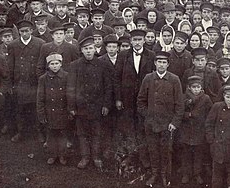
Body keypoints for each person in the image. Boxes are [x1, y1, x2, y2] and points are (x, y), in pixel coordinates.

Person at [137, 50, 184, 187]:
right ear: (155, 63)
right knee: (152, 149)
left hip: (167, 124)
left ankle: (164, 175)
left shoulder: (174, 80)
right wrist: (148, 116)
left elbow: (179, 104)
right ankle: (155, 173)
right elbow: (140, 101)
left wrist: (174, 122)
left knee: (166, 150)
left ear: (168, 64)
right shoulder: (148, 78)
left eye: (164, 62)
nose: (161, 65)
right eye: (159, 62)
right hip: (151, 123)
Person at [66, 36, 112, 170]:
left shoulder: (102, 64)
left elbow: (108, 86)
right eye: (85, 49)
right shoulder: (75, 65)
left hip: (97, 106)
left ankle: (96, 157)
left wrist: (106, 105)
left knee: (97, 132)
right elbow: (70, 87)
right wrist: (71, 107)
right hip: (81, 107)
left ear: (94, 49)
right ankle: (85, 157)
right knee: (82, 133)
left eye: (90, 48)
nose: (88, 51)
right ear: (81, 50)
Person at [114, 28, 155, 170]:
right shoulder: (123, 56)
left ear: (144, 40)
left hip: (145, 99)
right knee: (129, 127)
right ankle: (131, 155)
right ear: (130, 41)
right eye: (134, 40)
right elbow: (117, 78)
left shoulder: (151, 55)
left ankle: (144, 158)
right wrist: (118, 99)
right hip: (127, 99)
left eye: (139, 40)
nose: (137, 43)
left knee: (143, 127)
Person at [7, 20, 45, 142]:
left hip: (34, 82)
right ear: (19, 32)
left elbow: (42, 64)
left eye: (27, 31)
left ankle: (39, 132)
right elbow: (10, 66)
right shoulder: (13, 45)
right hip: (20, 83)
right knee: (20, 109)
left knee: (36, 108)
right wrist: (11, 84)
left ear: (31, 31)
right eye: (22, 31)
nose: (24, 34)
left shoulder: (40, 44)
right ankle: (21, 132)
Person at [178, 74, 212, 185]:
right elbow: (178, 113)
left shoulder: (206, 98)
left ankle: (197, 173)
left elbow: (210, 113)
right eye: (194, 87)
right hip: (186, 130)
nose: (196, 90)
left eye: (198, 87)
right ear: (189, 87)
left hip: (199, 130)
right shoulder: (183, 98)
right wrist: (189, 115)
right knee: (186, 153)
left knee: (198, 153)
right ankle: (186, 174)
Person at [37, 52, 69, 166]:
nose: (55, 66)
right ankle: (52, 155)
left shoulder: (66, 76)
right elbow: (40, 98)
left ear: (61, 64)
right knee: (50, 135)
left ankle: (62, 155)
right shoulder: (43, 79)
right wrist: (41, 114)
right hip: (49, 112)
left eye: (57, 63)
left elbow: (69, 95)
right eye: (52, 64)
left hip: (63, 111)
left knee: (62, 134)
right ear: (48, 65)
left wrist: (69, 110)